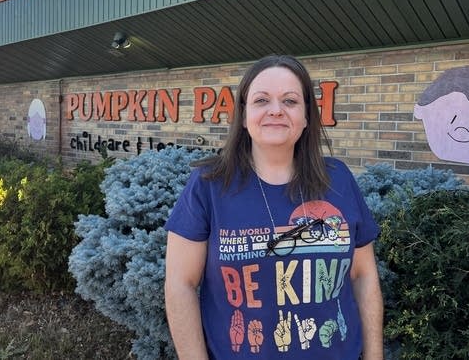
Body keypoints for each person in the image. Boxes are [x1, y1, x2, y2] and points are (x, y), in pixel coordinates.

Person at [164, 55, 383, 359]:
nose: (276, 110)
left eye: (290, 101)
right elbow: (180, 285)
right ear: (243, 115)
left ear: (307, 116)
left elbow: (363, 275)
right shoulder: (208, 185)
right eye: (262, 100)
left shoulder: (339, 180)